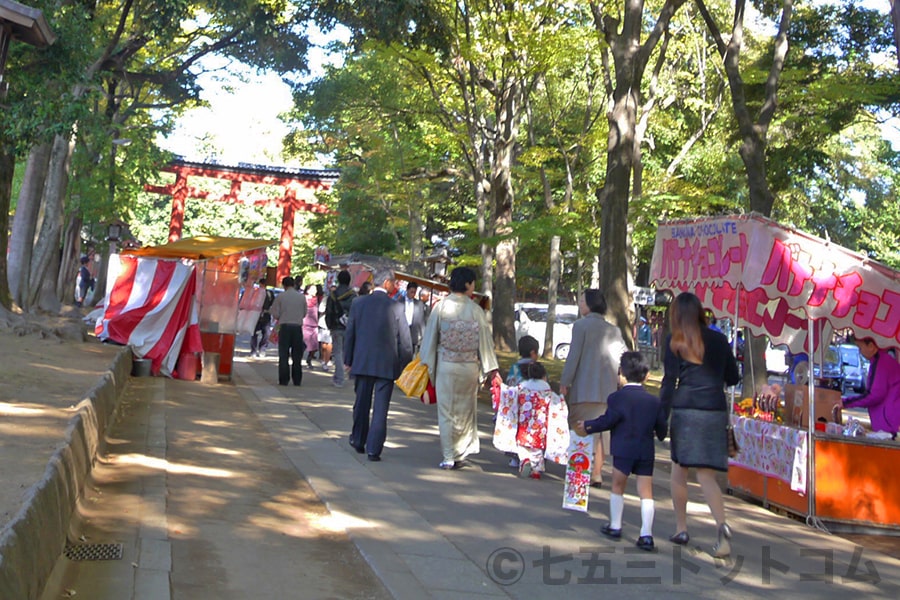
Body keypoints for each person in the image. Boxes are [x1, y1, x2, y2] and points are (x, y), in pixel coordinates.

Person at [660, 292, 741, 558]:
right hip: (714, 410)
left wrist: (661, 416)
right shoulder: (719, 339)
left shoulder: (674, 340)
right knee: (707, 476)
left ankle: (681, 527)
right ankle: (722, 526)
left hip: (685, 409)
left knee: (679, 470)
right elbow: (733, 376)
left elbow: (669, 381)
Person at [575, 351, 668, 551]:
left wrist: (588, 426)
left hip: (623, 449)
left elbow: (608, 421)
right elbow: (662, 429)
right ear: (646, 376)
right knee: (646, 493)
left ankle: (615, 525)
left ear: (621, 374)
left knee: (618, 486)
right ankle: (646, 534)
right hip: (645, 450)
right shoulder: (654, 402)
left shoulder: (617, 398)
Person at [420, 266, 501, 470]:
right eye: (473, 283)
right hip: (468, 367)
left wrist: (427, 363)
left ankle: (448, 455)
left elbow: (430, 339)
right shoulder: (476, 311)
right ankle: (460, 451)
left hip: (446, 366)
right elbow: (485, 342)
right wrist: (491, 369)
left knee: (446, 411)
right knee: (465, 411)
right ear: (467, 284)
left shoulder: (441, 307)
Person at [559, 288, 626, 488]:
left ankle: (579, 470)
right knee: (601, 434)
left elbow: (573, 357)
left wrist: (565, 382)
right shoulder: (614, 330)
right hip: (607, 390)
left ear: (590, 304)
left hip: (583, 387)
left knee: (580, 428)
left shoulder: (580, 326)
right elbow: (621, 356)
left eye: (582, 301)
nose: (580, 304)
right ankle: (596, 473)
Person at [344, 268, 413, 461]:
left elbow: (351, 333)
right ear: (386, 283)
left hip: (363, 360)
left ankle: (358, 440)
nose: (396, 286)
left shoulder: (359, 303)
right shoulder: (397, 307)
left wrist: (348, 360)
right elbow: (405, 341)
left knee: (361, 403)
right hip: (386, 364)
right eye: (394, 282)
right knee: (381, 409)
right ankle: (374, 449)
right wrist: (403, 364)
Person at [513, 361, 568, 480]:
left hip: (524, 422)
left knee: (523, 446)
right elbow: (557, 403)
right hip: (540, 425)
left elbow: (511, 397)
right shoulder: (547, 391)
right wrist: (562, 397)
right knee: (537, 449)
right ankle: (536, 470)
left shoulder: (522, 387)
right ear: (544, 376)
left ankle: (525, 461)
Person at [843, 335, 900, 436]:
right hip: (888, 422)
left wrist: (846, 402)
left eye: (860, 347)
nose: (860, 352)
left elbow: (875, 394)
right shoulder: (880, 361)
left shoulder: (882, 363)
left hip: (890, 425)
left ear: (871, 346)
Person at [270, 276, 307, 386]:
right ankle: (297, 379)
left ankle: (284, 379)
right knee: (297, 355)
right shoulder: (301, 297)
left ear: (284, 285)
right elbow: (304, 313)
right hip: (297, 327)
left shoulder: (281, 296)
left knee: (284, 354)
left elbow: (275, 313)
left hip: (285, 326)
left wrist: (281, 316)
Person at [326, 270, 357, 388]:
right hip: (350, 327)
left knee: (338, 352)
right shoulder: (353, 295)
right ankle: (351, 374)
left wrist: (330, 325)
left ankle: (339, 378)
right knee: (349, 351)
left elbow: (329, 312)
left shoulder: (333, 295)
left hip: (336, 326)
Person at [399, 281, 427, 354]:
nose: (413, 294)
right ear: (407, 290)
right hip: (401, 333)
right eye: (411, 292)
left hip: (412, 334)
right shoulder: (399, 302)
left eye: (414, 292)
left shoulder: (419, 304)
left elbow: (421, 322)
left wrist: (423, 336)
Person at [250, 279, 275, 357]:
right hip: (256, 315)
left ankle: (262, 349)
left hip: (266, 315)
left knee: (266, 334)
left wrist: (270, 311)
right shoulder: (255, 292)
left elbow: (273, 304)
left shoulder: (269, 293)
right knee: (254, 334)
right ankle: (253, 350)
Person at [316, 284, 334, 372]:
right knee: (323, 344)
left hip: (332, 324)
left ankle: (326, 361)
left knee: (330, 343)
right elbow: (320, 310)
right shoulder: (325, 299)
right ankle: (323, 359)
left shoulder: (338, 300)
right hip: (323, 323)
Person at [303, 285, 320, 368]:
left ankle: (309, 358)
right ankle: (298, 358)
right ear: (308, 290)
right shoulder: (303, 298)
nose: (315, 291)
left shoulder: (317, 299)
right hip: (304, 323)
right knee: (303, 343)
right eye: (313, 289)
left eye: (315, 289)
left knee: (314, 344)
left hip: (314, 324)